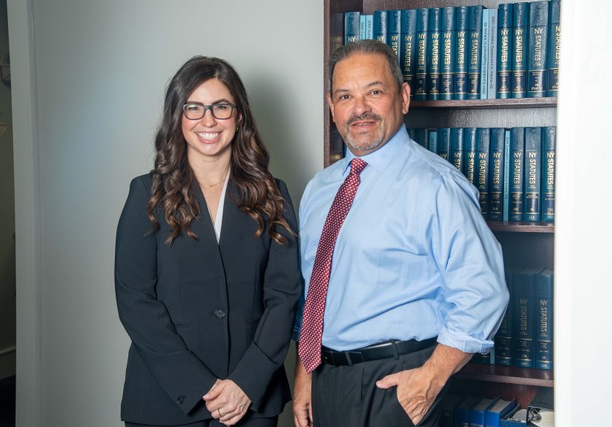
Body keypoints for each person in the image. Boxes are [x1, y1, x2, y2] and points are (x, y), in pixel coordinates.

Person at [292, 39, 509, 427]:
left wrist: (431, 376)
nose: (359, 109)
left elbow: (483, 292)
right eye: (345, 96)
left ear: (403, 98)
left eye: (374, 92)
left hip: (395, 384)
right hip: (326, 380)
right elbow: (314, 292)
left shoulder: (436, 185)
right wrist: (306, 375)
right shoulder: (319, 189)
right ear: (332, 108)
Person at [115, 56, 301, 427]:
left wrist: (246, 383)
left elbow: (284, 297)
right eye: (194, 108)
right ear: (178, 117)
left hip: (251, 400)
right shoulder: (146, 194)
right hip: (163, 399)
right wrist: (199, 385)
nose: (208, 120)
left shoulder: (273, 195)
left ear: (240, 116)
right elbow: (135, 300)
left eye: (221, 107)